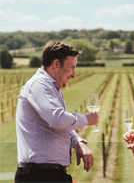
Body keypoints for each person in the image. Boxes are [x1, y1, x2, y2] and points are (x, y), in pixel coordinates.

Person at [14, 41, 99, 182]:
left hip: (49, 174)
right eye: (72, 67)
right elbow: (57, 119)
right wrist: (87, 119)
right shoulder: (38, 85)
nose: (74, 74)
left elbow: (61, 124)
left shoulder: (52, 88)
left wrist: (79, 142)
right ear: (56, 64)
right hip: (39, 175)